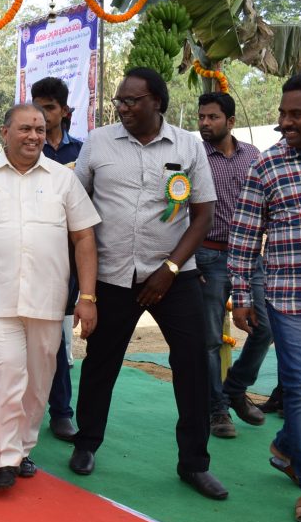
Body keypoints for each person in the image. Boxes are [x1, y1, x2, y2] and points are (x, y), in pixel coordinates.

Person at [71, 67, 227, 500]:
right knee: (101, 361)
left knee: (193, 365)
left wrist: (170, 268)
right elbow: (76, 203)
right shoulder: (98, 142)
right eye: (119, 101)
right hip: (112, 275)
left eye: (131, 100)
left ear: (157, 101)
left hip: (175, 277)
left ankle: (194, 464)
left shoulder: (187, 145)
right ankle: (86, 443)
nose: (122, 107)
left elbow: (203, 215)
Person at [0, 104, 100, 490]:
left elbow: (84, 236)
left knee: (38, 380)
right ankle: (4, 458)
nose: (34, 136)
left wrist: (87, 296)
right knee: (4, 374)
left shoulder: (63, 180)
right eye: (25, 129)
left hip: (47, 299)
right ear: (5, 132)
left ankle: (22, 448)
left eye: (40, 129)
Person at [228, 71, 301, 522]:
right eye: (282, 113)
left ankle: (285, 447)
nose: (284, 122)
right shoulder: (267, 165)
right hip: (291, 299)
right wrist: (242, 295)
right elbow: (245, 237)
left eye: (296, 113)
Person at [195, 92, 269, 438]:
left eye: (212, 117)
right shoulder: (194, 157)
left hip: (251, 258)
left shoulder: (253, 155)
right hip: (208, 256)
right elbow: (178, 211)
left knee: (265, 327)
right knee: (209, 340)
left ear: (231, 121)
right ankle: (217, 411)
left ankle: (235, 388)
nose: (205, 123)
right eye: (201, 117)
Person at [31, 76, 84, 441]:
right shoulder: (25, 150)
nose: (42, 114)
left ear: (64, 111)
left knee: (56, 337)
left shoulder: (82, 152)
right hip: (31, 255)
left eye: (49, 107)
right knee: (32, 338)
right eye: (37, 106)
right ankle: (35, 409)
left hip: (71, 259)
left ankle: (62, 412)